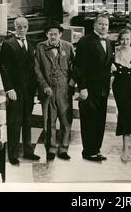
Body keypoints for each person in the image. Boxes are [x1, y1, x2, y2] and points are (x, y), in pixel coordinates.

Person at [74, 14, 114, 162]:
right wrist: (82, 88)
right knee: (89, 121)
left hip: (103, 89)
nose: (104, 27)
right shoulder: (85, 41)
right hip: (89, 89)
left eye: (106, 24)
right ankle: (88, 151)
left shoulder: (109, 42)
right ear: (95, 25)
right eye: (101, 24)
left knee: (100, 121)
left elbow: (108, 63)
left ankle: (96, 149)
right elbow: (79, 67)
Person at [0, 16, 40, 165]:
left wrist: (35, 90)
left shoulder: (32, 44)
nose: (22, 29)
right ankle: (13, 154)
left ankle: (28, 151)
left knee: (27, 121)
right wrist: (9, 88)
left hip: (28, 90)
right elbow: (4, 69)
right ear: (14, 28)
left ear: (27, 27)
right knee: (14, 122)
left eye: (24, 27)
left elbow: (34, 69)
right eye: (19, 27)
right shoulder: (8, 45)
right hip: (14, 90)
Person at [34, 20, 75, 161]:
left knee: (66, 120)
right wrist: (44, 85)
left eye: (55, 34)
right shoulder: (39, 47)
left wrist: (71, 83)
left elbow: (75, 68)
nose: (53, 36)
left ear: (60, 34)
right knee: (49, 122)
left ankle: (63, 148)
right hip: (48, 91)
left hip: (64, 90)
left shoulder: (68, 47)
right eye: (50, 34)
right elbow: (36, 69)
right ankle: (50, 148)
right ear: (46, 35)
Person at [112, 29, 131, 162]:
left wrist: (121, 69)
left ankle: (127, 146)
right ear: (119, 40)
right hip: (119, 85)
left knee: (130, 113)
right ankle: (125, 148)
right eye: (122, 39)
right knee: (123, 113)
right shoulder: (116, 52)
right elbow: (116, 70)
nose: (125, 42)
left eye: (127, 39)